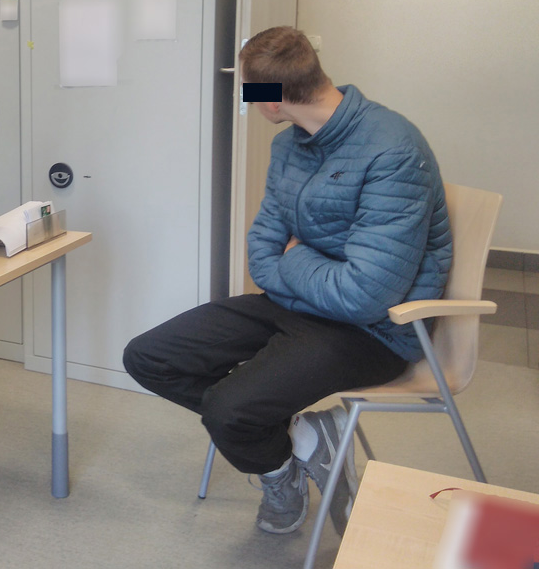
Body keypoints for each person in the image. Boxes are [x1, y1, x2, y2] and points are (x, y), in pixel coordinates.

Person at [123, 26, 452, 536]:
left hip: (373, 332)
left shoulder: (393, 151)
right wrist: (292, 266)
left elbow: (365, 295)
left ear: (274, 99)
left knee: (229, 410)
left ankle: (275, 466)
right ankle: (302, 442)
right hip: (293, 304)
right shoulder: (289, 146)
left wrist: (294, 260)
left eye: (250, 92)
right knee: (148, 358)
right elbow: (262, 248)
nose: (249, 100)